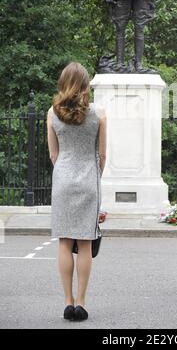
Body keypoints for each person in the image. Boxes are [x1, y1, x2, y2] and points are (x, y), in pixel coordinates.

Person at [47, 62, 107, 321]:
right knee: (84, 243)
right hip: (88, 180)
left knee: (64, 242)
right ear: (85, 85)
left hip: (62, 179)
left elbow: (53, 153)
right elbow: (102, 155)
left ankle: (67, 301)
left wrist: (63, 173)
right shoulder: (99, 113)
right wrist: (94, 176)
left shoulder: (52, 112)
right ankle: (81, 302)